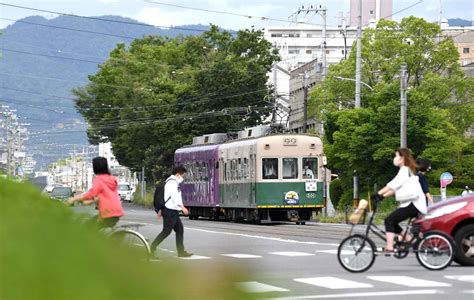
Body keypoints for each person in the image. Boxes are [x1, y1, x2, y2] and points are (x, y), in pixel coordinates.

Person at [372, 148, 427, 253]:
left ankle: (389, 247)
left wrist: (378, 194)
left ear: (402, 158)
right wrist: (382, 197)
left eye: (396, 156)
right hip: (412, 203)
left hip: (414, 204)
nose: (395, 159)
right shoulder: (406, 170)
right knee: (393, 222)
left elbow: (393, 184)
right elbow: (395, 188)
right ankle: (410, 240)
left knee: (389, 220)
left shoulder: (405, 170)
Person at [67, 157, 124, 228]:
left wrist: (75, 199)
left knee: (88, 228)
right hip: (117, 211)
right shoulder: (111, 179)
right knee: (97, 228)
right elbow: (102, 197)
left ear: (95, 167)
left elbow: (91, 194)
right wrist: (89, 202)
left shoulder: (99, 180)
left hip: (108, 213)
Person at [150, 165, 193, 258]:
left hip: (172, 211)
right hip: (170, 211)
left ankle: (181, 252)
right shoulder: (172, 182)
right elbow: (174, 197)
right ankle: (152, 248)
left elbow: (166, 197)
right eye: (183, 175)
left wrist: (161, 209)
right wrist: (183, 208)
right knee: (166, 231)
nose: (183, 177)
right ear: (178, 174)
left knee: (179, 230)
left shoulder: (170, 181)